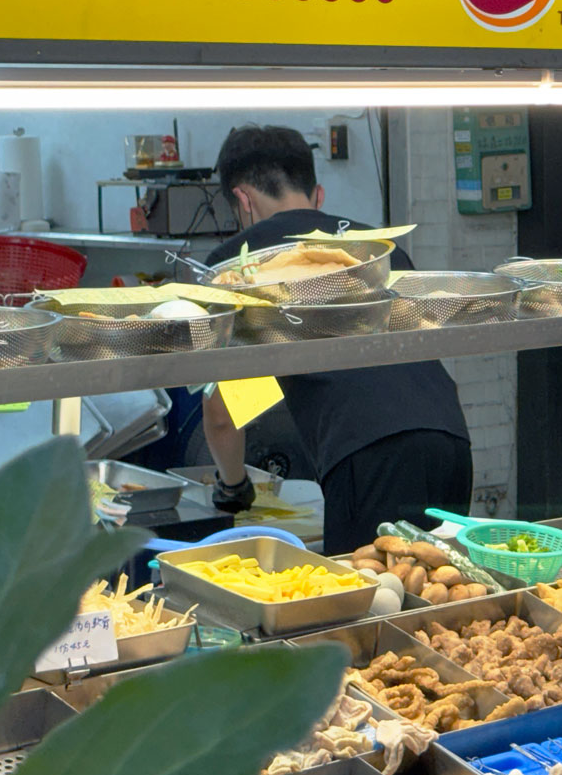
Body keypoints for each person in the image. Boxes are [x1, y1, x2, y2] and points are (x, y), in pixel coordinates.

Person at [201, 125, 472, 550]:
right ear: (318, 195)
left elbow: (221, 415)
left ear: (243, 200)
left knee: (370, 604)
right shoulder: (376, 248)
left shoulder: (241, 266)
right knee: (439, 595)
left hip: (366, 453)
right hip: (448, 437)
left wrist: (233, 487)